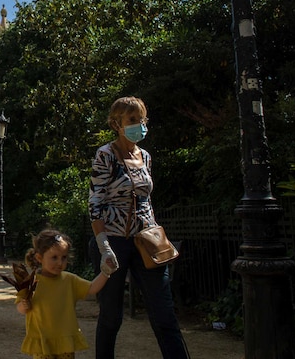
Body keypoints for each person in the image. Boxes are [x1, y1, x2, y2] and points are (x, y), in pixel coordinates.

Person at [88, 96, 190, 359]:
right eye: (132, 120)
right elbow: (95, 201)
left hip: (146, 242)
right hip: (114, 242)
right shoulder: (105, 155)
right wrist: (103, 247)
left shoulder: (145, 156)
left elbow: (146, 201)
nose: (139, 125)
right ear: (116, 124)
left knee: (164, 314)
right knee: (111, 316)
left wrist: (155, 232)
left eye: (142, 119)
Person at [15, 229, 110, 358]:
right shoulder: (31, 282)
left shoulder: (69, 279)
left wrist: (106, 272)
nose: (60, 263)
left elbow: (92, 288)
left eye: (64, 257)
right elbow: (21, 307)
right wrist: (23, 306)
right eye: (54, 257)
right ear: (39, 257)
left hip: (65, 341)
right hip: (43, 341)